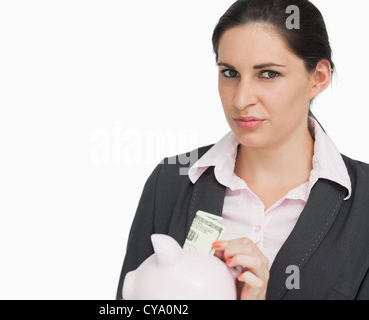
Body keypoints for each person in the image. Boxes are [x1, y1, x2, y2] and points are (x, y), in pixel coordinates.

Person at [116, 0, 369, 300]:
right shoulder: (170, 183)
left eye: (268, 74)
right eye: (230, 73)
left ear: (318, 77)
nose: (241, 98)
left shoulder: (363, 202)